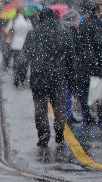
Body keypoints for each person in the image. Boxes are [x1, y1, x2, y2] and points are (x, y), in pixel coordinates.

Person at [23, 8, 75, 147]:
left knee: (40, 109)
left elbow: (24, 56)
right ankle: (59, 131)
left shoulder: (33, 34)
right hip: (58, 77)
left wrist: (20, 74)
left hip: (39, 77)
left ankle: (44, 136)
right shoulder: (64, 33)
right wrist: (71, 75)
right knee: (59, 107)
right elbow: (70, 56)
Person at [4, 9, 33, 87]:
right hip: (25, 44)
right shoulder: (27, 21)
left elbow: (6, 30)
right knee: (24, 63)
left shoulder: (13, 20)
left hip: (15, 44)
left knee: (16, 61)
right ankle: (22, 78)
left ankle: (16, 77)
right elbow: (31, 31)